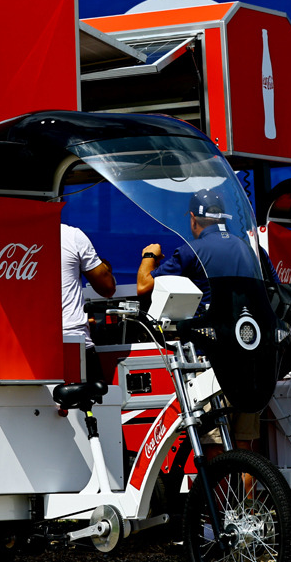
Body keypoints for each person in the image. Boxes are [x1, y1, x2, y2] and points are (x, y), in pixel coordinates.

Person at [137, 188, 262, 449]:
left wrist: (150, 255)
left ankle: (218, 492)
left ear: (193, 219)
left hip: (214, 359)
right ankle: (246, 493)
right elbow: (272, 288)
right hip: (252, 356)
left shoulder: (191, 251)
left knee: (215, 443)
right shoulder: (249, 248)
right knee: (245, 445)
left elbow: (143, 285)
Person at [61, 223, 116, 382]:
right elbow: (107, 288)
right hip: (73, 341)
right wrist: (105, 268)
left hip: (22, 346)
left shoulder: (1, 234)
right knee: (89, 406)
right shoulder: (71, 235)